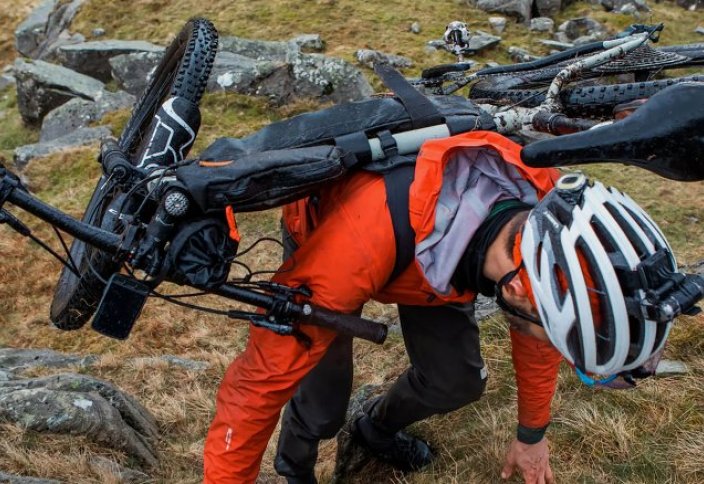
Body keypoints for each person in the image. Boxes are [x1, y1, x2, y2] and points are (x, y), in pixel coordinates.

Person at [202, 130, 680, 484]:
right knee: (322, 403)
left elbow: (546, 330)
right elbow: (256, 385)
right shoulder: (356, 242)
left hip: (436, 262)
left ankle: (375, 430)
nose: (552, 349)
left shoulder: (544, 222)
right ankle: (296, 468)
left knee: (456, 380)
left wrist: (532, 434)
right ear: (514, 293)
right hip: (345, 237)